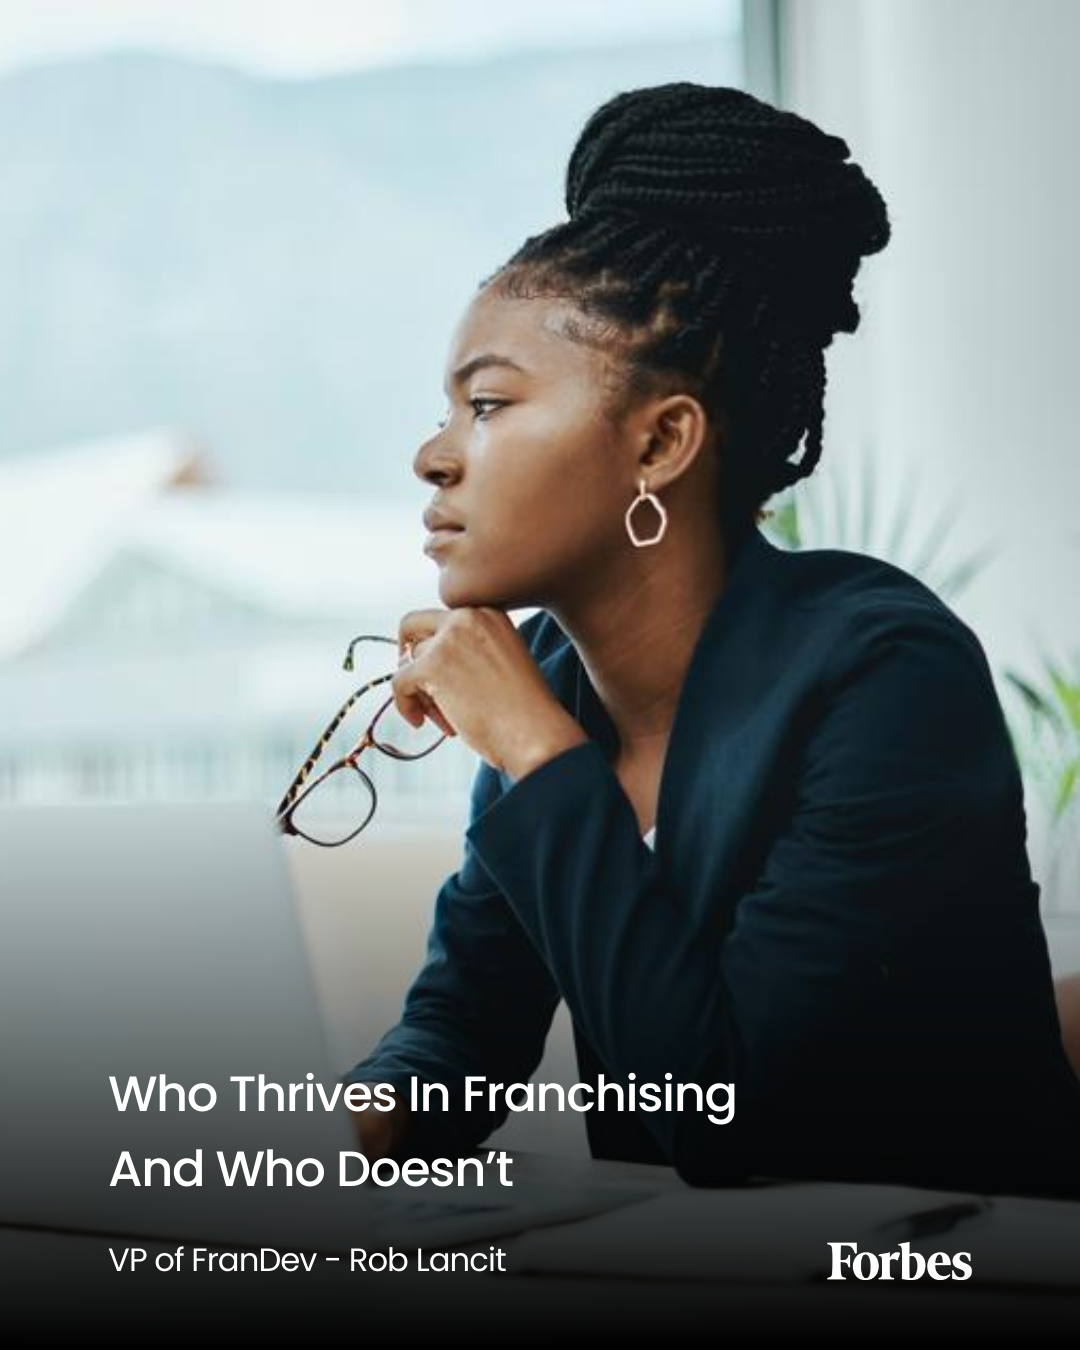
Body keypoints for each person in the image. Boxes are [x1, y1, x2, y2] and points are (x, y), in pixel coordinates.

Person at [346, 82, 1080, 1198]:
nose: (434, 456)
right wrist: (365, 1118)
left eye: (487, 406)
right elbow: (461, 1033)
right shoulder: (550, 674)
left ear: (661, 444)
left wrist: (542, 759)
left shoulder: (883, 672)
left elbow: (736, 1124)